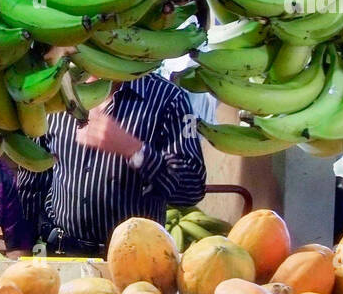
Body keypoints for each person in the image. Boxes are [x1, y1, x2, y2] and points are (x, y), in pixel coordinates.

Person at [15, 72, 207, 256]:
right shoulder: (54, 91)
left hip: (137, 258)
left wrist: (134, 150)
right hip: (62, 252)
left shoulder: (169, 98)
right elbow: (31, 181)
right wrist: (22, 246)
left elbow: (192, 188)